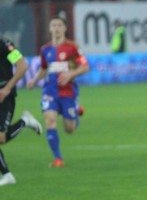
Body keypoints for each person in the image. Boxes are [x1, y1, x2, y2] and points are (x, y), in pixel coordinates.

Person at [26, 17, 90, 167]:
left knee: (70, 129)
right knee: (50, 120)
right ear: (49, 29)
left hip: (68, 92)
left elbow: (85, 67)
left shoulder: (73, 47)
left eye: (59, 25)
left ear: (65, 29)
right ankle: (58, 159)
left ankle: (75, 108)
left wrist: (71, 74)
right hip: (50, 91)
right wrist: (34, 80)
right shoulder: (45, 49)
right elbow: (44, 68)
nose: (56, 28)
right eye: (53, 25)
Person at [0, 38, 43, 186]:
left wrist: (7, 88)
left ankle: (24, 121)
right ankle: (7, 175)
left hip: (4, 97)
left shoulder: (4, 45)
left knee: (1, 138)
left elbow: (22, 66)